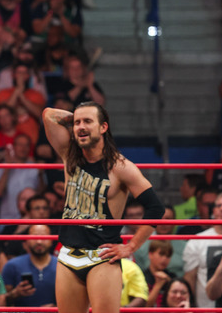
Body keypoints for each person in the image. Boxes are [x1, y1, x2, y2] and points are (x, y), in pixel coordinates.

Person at [42, 102, 164, 313]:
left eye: (88, 121)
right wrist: (80, 122)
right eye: (78, 123)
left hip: (101, 258)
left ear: (103, 127)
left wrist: (130, 246)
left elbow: (155, 208)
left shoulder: (121, 167)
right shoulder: (69, 154)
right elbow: (48, 115)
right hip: (68, 254)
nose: (81, 127)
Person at [1, 224, 57, 309]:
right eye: (34, 236)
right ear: (27, 240)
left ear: (51, 240)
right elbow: (1, 301)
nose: (39, 241)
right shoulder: (12, 265)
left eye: (44, 236)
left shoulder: (61, 266)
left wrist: (56, 308)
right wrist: (15, 293)